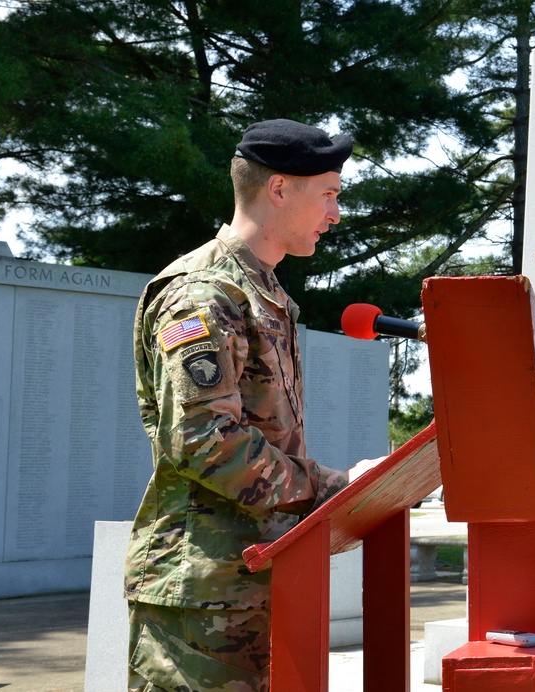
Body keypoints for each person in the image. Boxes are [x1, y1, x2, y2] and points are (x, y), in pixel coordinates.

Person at [125, 118, 374, 690]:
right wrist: (330, 489)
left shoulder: (264, 293)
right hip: (201, 593)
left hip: (253, 576)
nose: (336, 214)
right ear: (279, 188)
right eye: (330, 194)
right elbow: (204, 441)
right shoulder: (205, 292)